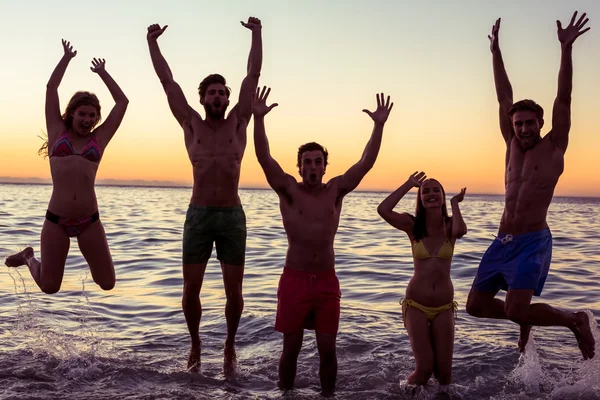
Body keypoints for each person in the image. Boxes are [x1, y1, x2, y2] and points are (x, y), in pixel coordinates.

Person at [465, 12, 595, 360]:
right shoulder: (509, 143)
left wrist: (566, 50)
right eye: (518, 123)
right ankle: (524, 316)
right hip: (502, 239)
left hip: (532, 242)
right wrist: (495, 53)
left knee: (516, 309)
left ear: (541, 123)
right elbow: (502, 96)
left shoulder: (554, 146)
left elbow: (564, 97)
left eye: (529, 123)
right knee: (474, 307)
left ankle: (574, 319)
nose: (523, 128)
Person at [252, 86, 393, 396]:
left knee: (328, 349)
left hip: (327, 282)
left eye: (318, 162)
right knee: (291, 348)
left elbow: (365, 163)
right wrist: (258, 119)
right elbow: (264, 157)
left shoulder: (336, 190)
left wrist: (378, 125)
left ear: (324, 166)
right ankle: (286, 395)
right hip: (295, 279)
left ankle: (327, 396)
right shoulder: (288, 189)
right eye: (307, 162)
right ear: (299, 166)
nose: (313, 167)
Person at [146, 17, 263, 374]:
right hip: (198, 215)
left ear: (229, 98)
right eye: (212, 92)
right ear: (202, 98)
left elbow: (252, 76)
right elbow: (167, 82)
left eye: (222, 92)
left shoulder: (239, 123)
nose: (218, 96)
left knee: (234, 292)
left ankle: (229, 344)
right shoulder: (190, 123)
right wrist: (152, 42)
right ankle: (195, 343)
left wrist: (257, 34)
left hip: (231, 216)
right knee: (190, 289)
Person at [4, 40, 129, 294]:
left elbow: (122, 103)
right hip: (56, 221)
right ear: (71, 113)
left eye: (93, 115)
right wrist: (66, 59)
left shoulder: (99, 139)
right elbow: (51, 87)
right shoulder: (57, 132)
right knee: (50, 286)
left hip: (90, 221)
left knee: (107, 283)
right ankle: (29, 257)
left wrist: (103, 73)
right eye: (83, 114)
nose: (88, 119)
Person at [378, 172, 467, 385]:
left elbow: (461, 230)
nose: (431, 194)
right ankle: (401, 395)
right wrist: (409, 184)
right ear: (420, 199)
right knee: (425, 368)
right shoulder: (412, 225)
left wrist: (455, 203)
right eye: (425, 191)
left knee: (444, 375)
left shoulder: (450, 226)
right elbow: (383, 210)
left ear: (443, 196)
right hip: (416, 305)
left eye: (436, 190)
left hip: (444, 307)